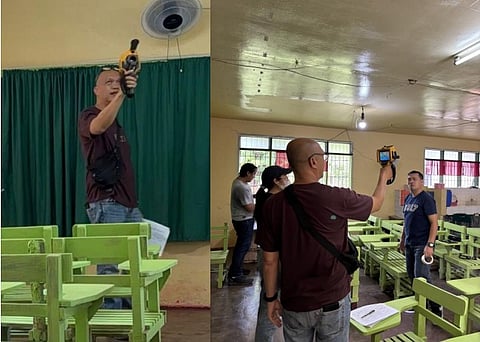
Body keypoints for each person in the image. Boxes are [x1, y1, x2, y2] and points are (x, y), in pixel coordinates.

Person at [257, 138, 392, 342]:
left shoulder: (273, 205)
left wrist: (270, 298)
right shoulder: (334, 197)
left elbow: (269, 261)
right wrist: (384, 176)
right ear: (313, 161)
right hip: (332, 298)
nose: (325, 161)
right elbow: (377, 203)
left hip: (294, 302)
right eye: (323, 157)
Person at [78, 67, 141, 309]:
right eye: (108, 82)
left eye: (118, 81)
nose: (114, 85)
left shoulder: (118, 125)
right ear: (96, 89)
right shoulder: (89, 115)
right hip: (106, 202)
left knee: (134, 261)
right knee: (110, 265)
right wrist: (122, 94)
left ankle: (126, 314)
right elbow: (97, 127)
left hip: (128, 205)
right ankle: (112, 320)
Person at [254, 165, 292, 342]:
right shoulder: (276, 203)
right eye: (285, 177)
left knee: (270, 297)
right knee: (270, 299)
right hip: (274, 257)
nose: (288, 180)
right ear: (276, 181)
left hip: (269, 254)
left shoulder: (267, 199)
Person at [399, 170, 442, 317]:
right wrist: (402, 239)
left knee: (422, 277)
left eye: (414, 179)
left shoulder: (426, 199)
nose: (411, 182)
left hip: (422, 245)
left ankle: (437, 306)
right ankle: (420, 303)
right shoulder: (409, 199)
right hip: (410, 243)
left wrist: (430, 245)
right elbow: (406, 221)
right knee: (412, 276)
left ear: (421, 181)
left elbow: (434, 223)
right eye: (409, 179)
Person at [228, 162, 257, 285]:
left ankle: (237, 269)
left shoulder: (238, 182)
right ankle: (235, 275)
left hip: (240, 219)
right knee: (242, 247)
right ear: (248, 173)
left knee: (241, 246)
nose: (254, 177)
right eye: (253, 174)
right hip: (244, 219)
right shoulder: (242, 187)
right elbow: (249, 207)